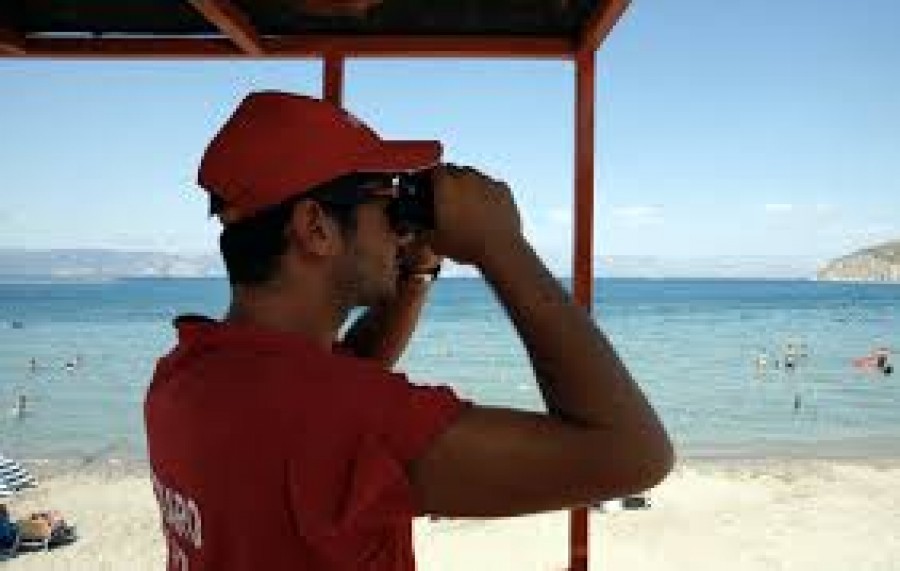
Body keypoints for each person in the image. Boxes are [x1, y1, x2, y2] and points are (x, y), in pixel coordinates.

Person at [144, 91, 673, 570]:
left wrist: (417, 269)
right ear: (316, 228)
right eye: (386, 204)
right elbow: (632, 455)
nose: (400, 229)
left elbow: (335, 382)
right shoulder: (346, 419)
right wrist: (501, 246)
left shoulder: (184, 375)